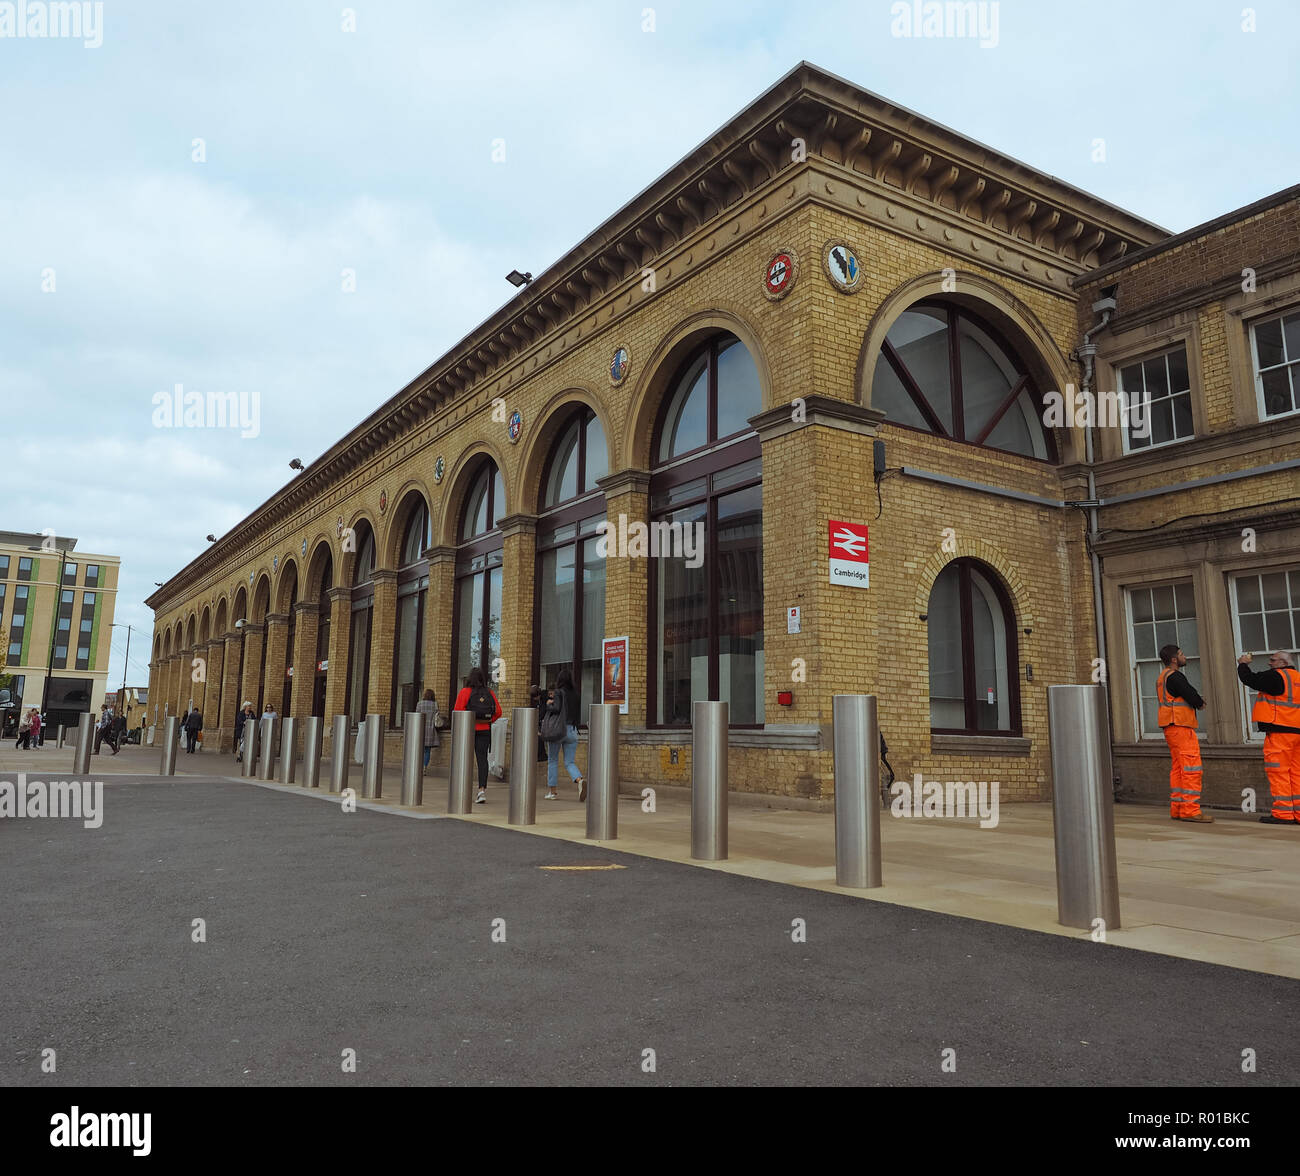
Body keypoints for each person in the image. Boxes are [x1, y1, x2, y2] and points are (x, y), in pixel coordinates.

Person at [1237, 651, 1300, 826]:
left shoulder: (1277, 676)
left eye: (1272, 660)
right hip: (1297, 733)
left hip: (1280, 733)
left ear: (1282, 662)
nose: (1269, 663)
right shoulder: (1297, 679)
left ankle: (1283, 813)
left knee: (1279, 773)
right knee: (1296, 774)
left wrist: (1243, 664)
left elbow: (1250, 680)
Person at [1155, 644, 1211, 822]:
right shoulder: (1175, 676)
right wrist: (1200, 703)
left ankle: (1178, 808)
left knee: (1179, 768)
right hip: (1181, 727)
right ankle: (1191, 810)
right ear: (1174, 659)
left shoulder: (1162, 677)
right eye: (1181, 654)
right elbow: (1190, 694)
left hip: (1171, 728)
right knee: (1191, 768)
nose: (1184, 656)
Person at [454, 667, 501, 804]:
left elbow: (458, 711)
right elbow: (498, 711)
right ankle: (481, 790)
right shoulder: (489, 692)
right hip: (485, 729)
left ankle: (462, 789)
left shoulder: (464, 692)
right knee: (482, 759)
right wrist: (488, 721)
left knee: (465, 759)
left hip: (468, 730)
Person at [544, 667, 585, 802]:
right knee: (569, 762)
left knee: (553, 760)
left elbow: (556, 709)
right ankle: (579, 780)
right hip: (572, 730)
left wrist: (548, 704)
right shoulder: (576, 694)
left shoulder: (558, 692)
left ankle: (553, 792)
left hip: (558, 730)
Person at [415, 688, 442, 771]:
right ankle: (424, 766)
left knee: (419, 749)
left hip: (421, 729)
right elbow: (437, 717)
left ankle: (418, 766)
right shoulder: (435, 704)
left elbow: (417, 716)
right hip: (430, 729)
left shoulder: (420, 704)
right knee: (427, 750)